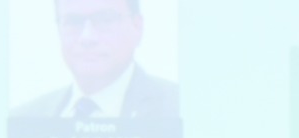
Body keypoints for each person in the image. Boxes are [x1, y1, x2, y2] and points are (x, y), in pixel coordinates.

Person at [11, 0, 179, 119]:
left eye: (105, 20)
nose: (87, 37)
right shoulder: (24, 121)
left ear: (137, 27)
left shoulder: (181, 110)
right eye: (73, 22)